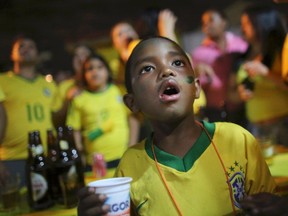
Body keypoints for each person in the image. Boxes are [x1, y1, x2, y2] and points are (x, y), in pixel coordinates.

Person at [77, 36, 276, 216]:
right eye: (147, 68)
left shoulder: (237, 140)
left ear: (196, 87)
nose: (166, 71)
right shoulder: (130, 166)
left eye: (177, 63)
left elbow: (269, 208)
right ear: (132, 102)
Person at [110, 9, 178, 147]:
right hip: (138, 119)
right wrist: (166, 30)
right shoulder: (114, 66)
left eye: (129, 30)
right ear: (114, 44)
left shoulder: (142, 47)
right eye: (119, 34)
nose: (126, 34)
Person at [0, 35, 57, 187]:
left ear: (37, 54)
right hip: (12, 159)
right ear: (12, 55)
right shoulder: (2, 81)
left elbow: (56, 117)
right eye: (21, 47)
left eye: (31, 46)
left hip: (46, 156)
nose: (26, 49)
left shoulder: (49, 85)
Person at [66, 53, 129, 178]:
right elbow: (75, 129)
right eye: (90, 69)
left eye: (100, 67)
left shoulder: (118, 91)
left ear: (107, 71)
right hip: (95, 164)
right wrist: (80, 153)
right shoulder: (80, 99)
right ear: (84, 75)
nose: (95, 72)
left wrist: (132, 146)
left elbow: (132, 119)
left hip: (123, 158)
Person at [237, 5, 288, 146]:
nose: (243, 28)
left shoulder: (281, 51)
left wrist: (265, 72)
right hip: (256, 128)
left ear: (261, 22)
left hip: (282, 126)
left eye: (247, 23)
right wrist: (241, 92)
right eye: (241, 24)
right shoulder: (245, 55)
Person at [191, 9, 248, 126]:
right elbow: (191, 84)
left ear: (224, 22)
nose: (206, 24)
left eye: (211, 20)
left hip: (242, 110)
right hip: (214, 112)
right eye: (203, 22)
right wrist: (196, 73)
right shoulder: (198, 54)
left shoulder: (241, 46)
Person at [51, 43, 94, 128]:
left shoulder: (103, 84)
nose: (80, 59)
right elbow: (55, 121)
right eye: (76, 56)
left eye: (84, 54)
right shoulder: (64, 86)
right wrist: (67, 101)